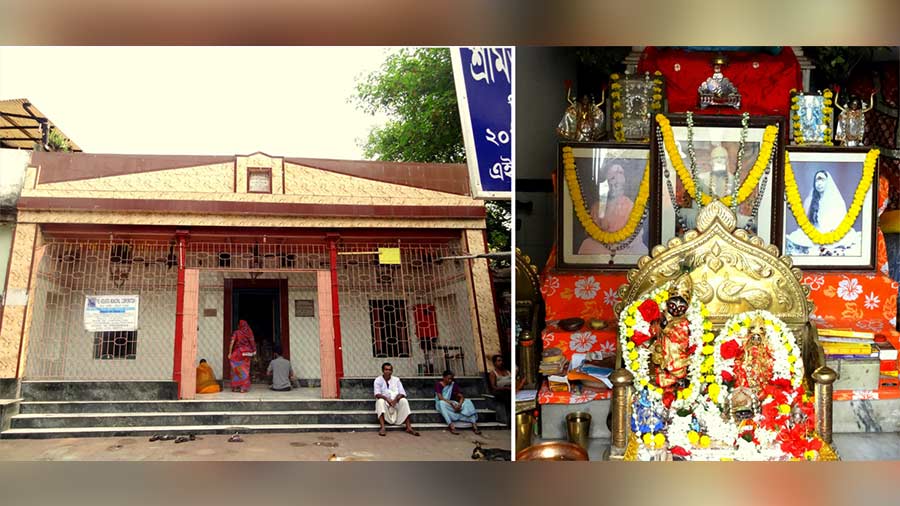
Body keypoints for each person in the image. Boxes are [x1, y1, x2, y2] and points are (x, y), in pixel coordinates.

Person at [577, 163, 647, 255]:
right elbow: (590, 231)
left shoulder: (630, 205)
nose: (614, 185)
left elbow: (636, 235)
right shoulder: (597, 206)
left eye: (617, 182)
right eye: (611, 180)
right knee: (587, 245)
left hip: (625, 246)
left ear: (623, 184)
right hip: (600, 245)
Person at [785, 169, 858, 256]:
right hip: (814, 233)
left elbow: (842, 223)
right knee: (796, 238)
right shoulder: (810, 200)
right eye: (817, 180)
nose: (819, 184)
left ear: (828, 182)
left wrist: (832, 232)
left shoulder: (837, 201)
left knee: (845, 239)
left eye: (822, 180)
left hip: (833, 233)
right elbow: (805, 222)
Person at [374, 362, 419, 437]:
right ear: (382, 370)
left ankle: (408, 427)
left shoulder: (396, 380)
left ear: (392, 371)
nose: (388, 371)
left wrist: (395, 400)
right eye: (386, 369)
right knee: (380, 401)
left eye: (389, 370)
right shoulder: (378, 380)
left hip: (396, 404)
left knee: (404, 400)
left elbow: (402, 393)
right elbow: (377, 394)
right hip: (385, 404)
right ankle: (382, 428)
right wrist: (386, 399)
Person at [435, 370, 480, 435]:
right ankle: (451, 425)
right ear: (444, 377)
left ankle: (474, 425)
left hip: (453, 404)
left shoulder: (453, 385)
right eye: (448, 378)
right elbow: (440, 398)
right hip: (443, 403)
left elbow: (461, 397)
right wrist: (451, 403)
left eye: (451, 379)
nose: (450, 380)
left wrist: (459, 405)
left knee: (468, 402)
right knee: (442, 403)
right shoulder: (438, 385)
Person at [228, 320, 256, 393]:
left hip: (237, 353)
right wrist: (254, 351)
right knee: (245, 370)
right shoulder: (249, 332)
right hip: (247, 353)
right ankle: (243, 388)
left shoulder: (236, 332)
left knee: (236, 369)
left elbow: (232, 342)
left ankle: (235, 386)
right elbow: (252, 342)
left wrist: (230, 353)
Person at [488, 354, 512, 425]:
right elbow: (493, 386)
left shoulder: (508, 372)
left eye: (501, 361)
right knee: (508, 397)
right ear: (495, 363)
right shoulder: (493, 373)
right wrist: (505, 388)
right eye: (499, 361)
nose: (501, 362)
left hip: (510, 389)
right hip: (500, 391)